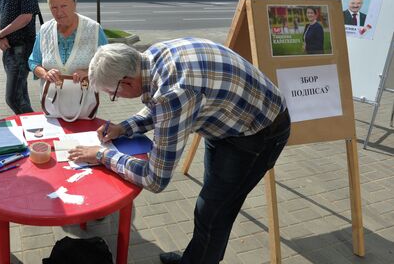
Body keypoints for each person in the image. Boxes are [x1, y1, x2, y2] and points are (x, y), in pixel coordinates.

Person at [68, 39, 291, 264]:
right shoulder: (149, 57)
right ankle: (196, 258)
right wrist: (124, 128)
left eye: (112, 93)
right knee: (210, 204)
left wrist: (102, 155)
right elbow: (162, 106)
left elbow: (154, 179)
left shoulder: (174, 93)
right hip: (228, 122)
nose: (113, 98)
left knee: (213, 213)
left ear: (127, 82)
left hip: (260, 133)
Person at [29, 0, 108, 87]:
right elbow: (33, 61)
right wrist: (45, 74)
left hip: (84, 100)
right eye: (54, 8)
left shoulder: (94, 29)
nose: (59, 12)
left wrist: (88, 72)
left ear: (74, 4)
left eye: (63, 6)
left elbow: (108, 63)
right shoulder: (45, 30)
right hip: (50, 100)